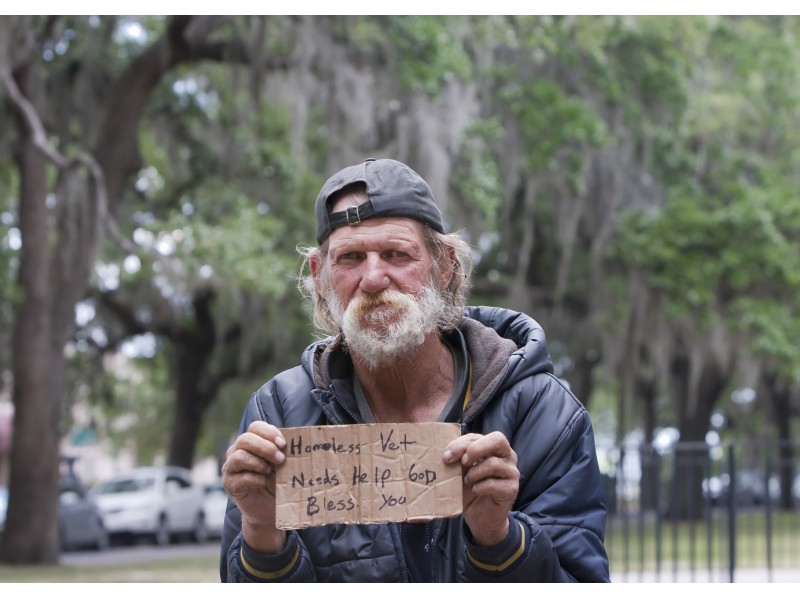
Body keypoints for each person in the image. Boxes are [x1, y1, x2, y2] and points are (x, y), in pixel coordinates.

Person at [219, 158, 610, 582]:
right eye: (350, 257)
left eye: (396, 254)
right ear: (320, 276)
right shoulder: (276, 414)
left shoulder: (542, 413)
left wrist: (500, 538)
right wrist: (261, 532)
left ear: (444, 266)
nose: (372, 279)